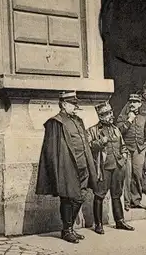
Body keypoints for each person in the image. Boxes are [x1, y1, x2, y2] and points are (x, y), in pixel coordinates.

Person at [35, 91, 98, 243]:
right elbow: (50, 150)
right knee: (68, 198)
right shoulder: (55, 122)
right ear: (63, 105)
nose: (75, 107)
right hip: (68, 166)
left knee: (81, 196)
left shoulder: (78, 120)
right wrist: (56, 170)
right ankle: (66, 230)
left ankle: (69, 228)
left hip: (83, 165)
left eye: (76, 104)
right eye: (72, 104)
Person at [86, 101, 135, 234]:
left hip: (118, 166)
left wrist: (124, 157)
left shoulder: (116, 129)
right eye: (107, 114)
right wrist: (101, 142)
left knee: (116, 195)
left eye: (111, 113)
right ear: (101, 116)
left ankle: (120, 221)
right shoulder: (92, 130)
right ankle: (99, 224)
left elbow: (122, 146)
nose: (111, 116)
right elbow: (88, 146)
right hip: (103, 168)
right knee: (99, 195)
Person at [116, 94, 146, 210]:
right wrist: (129, 120)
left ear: (140, 104)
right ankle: (126, 203)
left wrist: (145, 147)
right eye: (130, 101)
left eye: (135, 102)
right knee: (127, 176)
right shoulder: (122, 117)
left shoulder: (144, 118)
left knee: (137, 175)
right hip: (126, 150)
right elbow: (118, 132)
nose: (132, 104)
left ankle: (136, 200)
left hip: (139, 150)